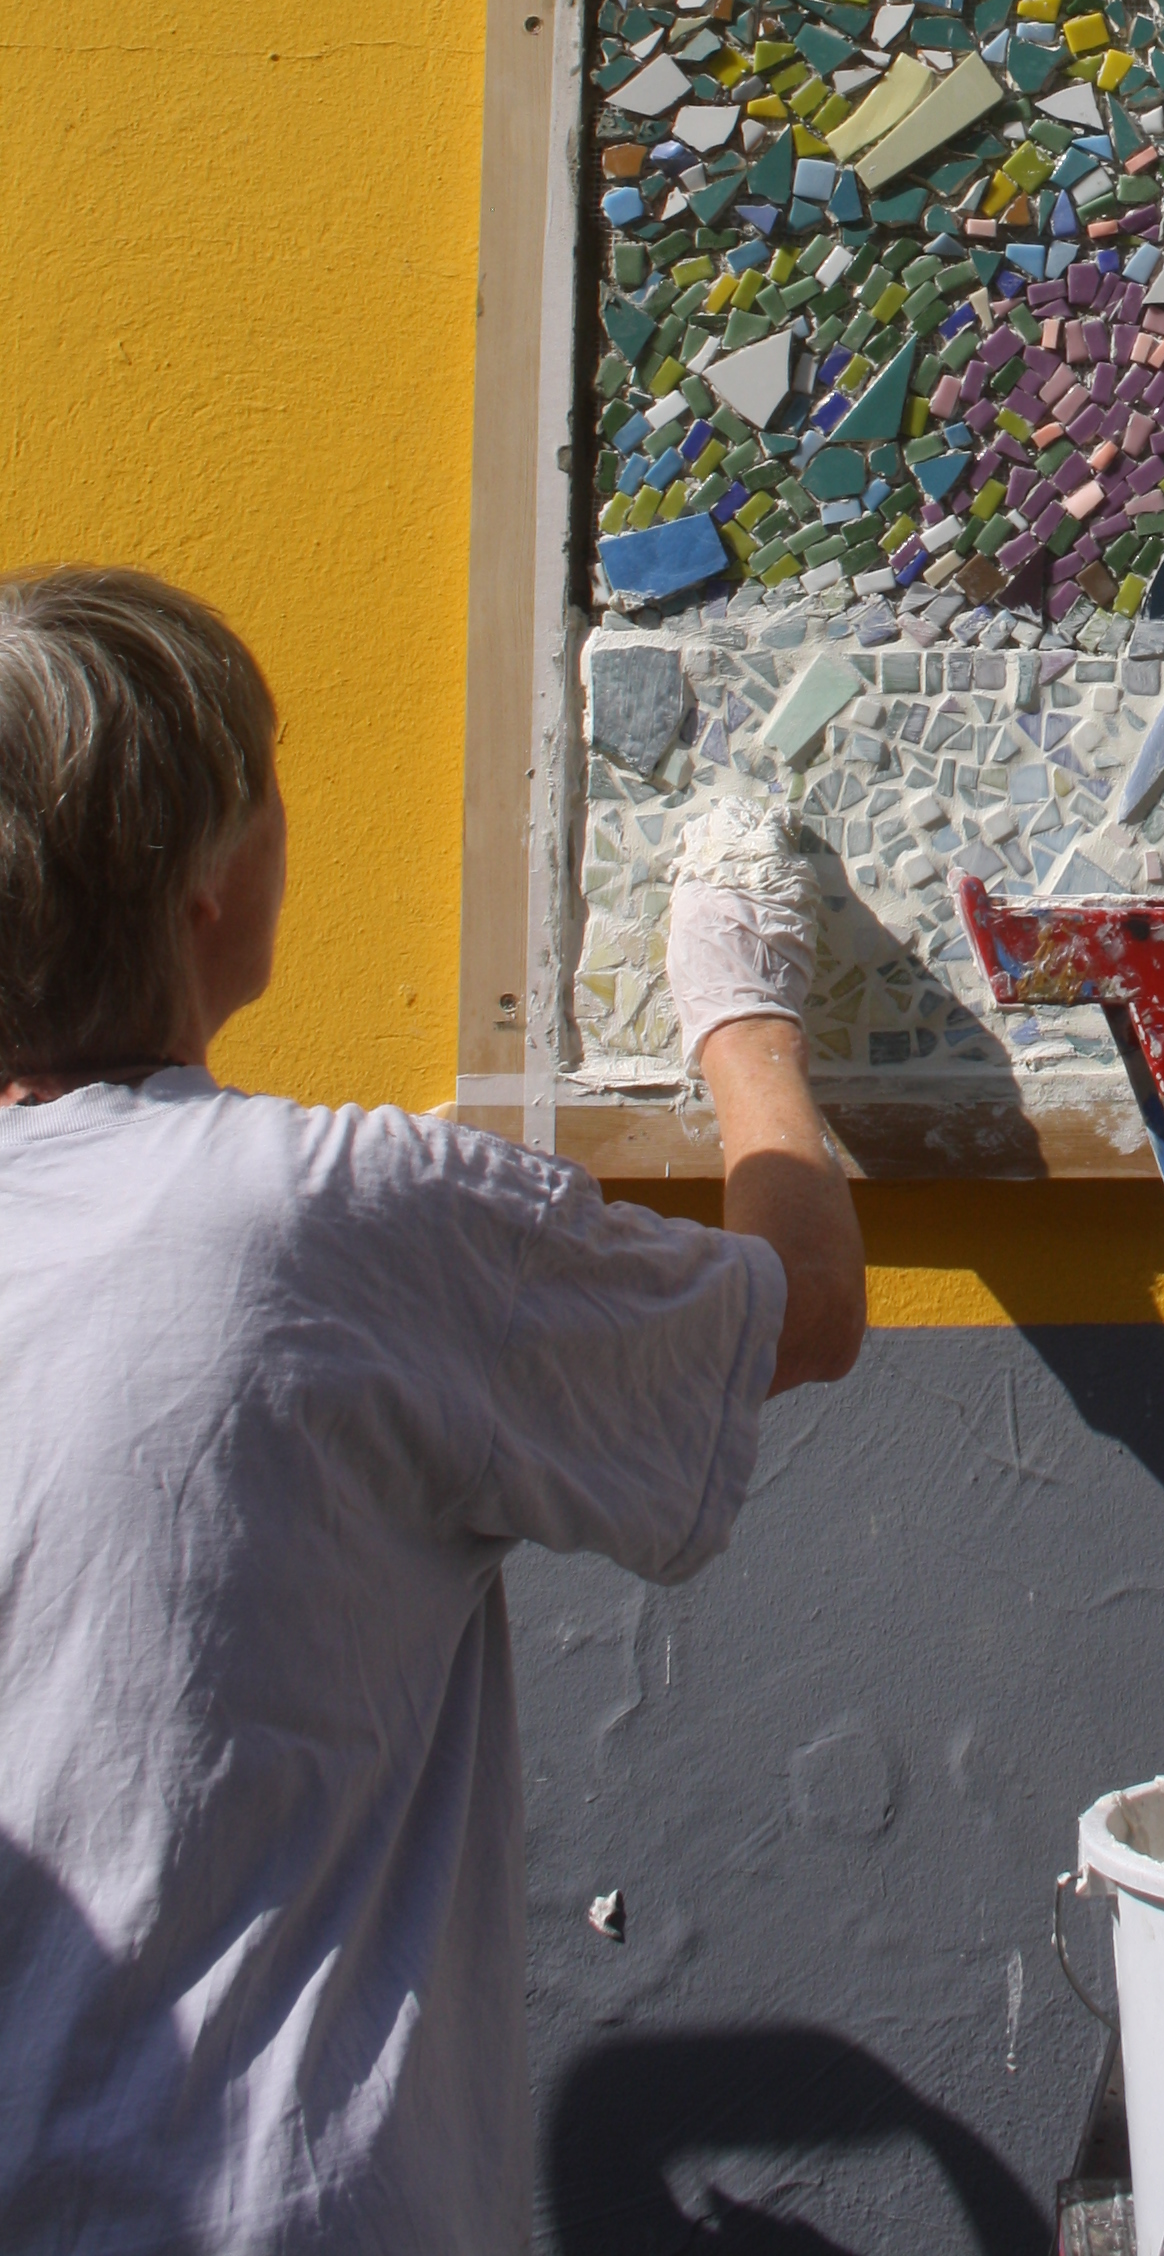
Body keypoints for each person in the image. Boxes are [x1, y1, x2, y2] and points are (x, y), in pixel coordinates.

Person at [0, 564, 861, 2255]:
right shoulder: (333, 1221)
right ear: (203, 884)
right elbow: (805, 1307)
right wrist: (742, 1016)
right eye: (264, 788)